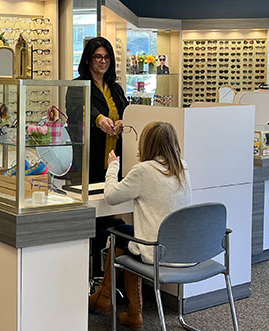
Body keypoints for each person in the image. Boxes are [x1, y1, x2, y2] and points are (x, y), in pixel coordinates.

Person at [89, 121, 192, 330]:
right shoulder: (182, 168)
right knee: (124, 237)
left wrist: (113, 167)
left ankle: (110, 299)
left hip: (155, 249)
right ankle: (119, 305)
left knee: (117, 235)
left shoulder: (144, 170)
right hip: (182, 249)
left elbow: (110, 196)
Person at [66, 36, 129, 278]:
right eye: (98, 57)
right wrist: (99, 119)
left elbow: (125, 110)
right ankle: (86, 275)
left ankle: (105, 279)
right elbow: (77, 111)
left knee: (109, 217)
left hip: (113, 163)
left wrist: (123, 120)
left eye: (106, 57)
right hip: (88, 162)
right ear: (89, 59)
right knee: (88, 220)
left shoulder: (116, 88)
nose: (103, 62)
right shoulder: (77, 86)